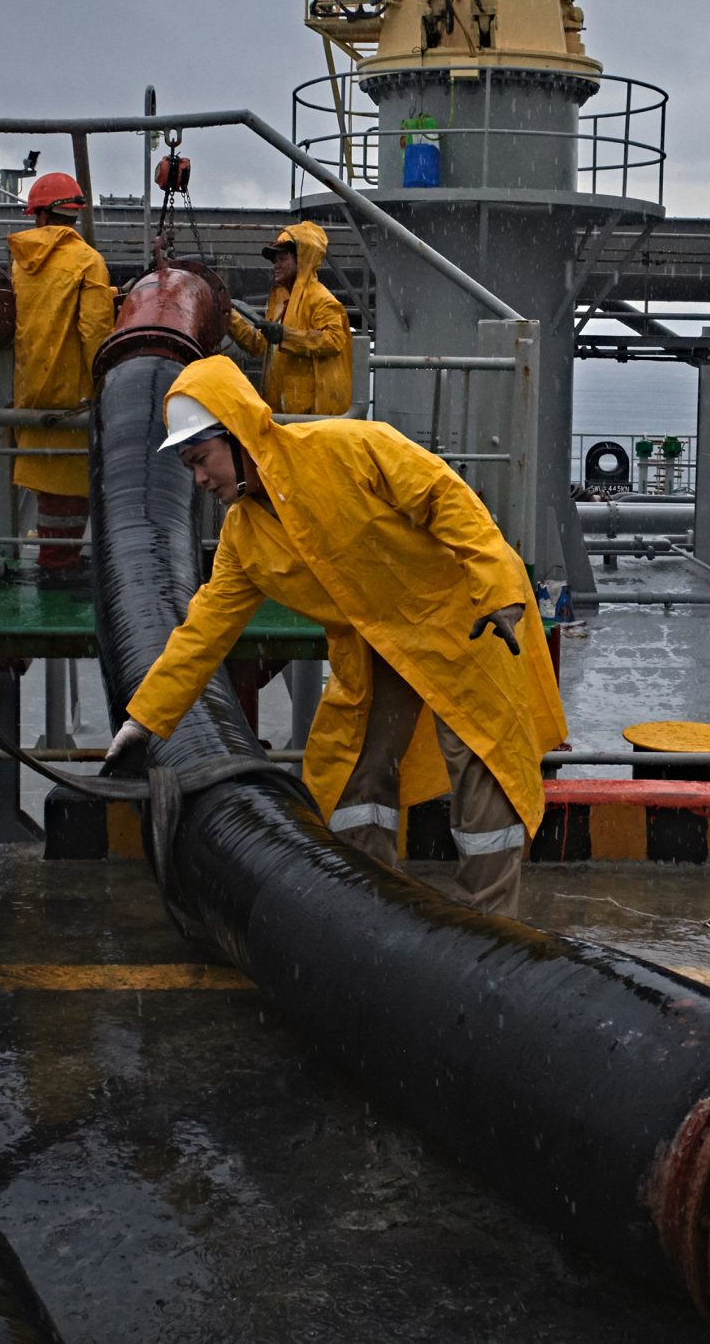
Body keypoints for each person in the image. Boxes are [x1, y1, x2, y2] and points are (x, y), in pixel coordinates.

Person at [109, 356, 563, 913]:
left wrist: (496, 589)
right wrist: (143, 720)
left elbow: (447, 499)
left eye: (202, 459)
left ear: (238, 432)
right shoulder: (243, 538)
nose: (200, 480)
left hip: (467, 618)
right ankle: (369, 909)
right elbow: (202, 633)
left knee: (482, 767)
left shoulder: (345, 448)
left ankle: (492, 925)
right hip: (376, 644)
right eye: (189, 467)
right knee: (352, 771)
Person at [8, 171, 115, 588]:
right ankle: (61, 566)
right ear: (73, 215)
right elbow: (94, 335)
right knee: (72, 494)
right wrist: (104, 386)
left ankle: (54, 560)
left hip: (30, 399)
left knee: (46, 494)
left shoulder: (20, 265)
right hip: (73, 400)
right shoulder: (88, 262)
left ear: (39, 216)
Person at [225, 221, 353, 417]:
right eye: (274, 260)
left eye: (282, 258)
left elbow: (335, 340)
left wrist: (285, 335)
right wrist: (227, 316)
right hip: (283, 414)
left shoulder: (321, 299)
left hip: (310, 417)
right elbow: (262, 346)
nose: (276, 265)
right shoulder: (280, 301)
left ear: (301, 259)